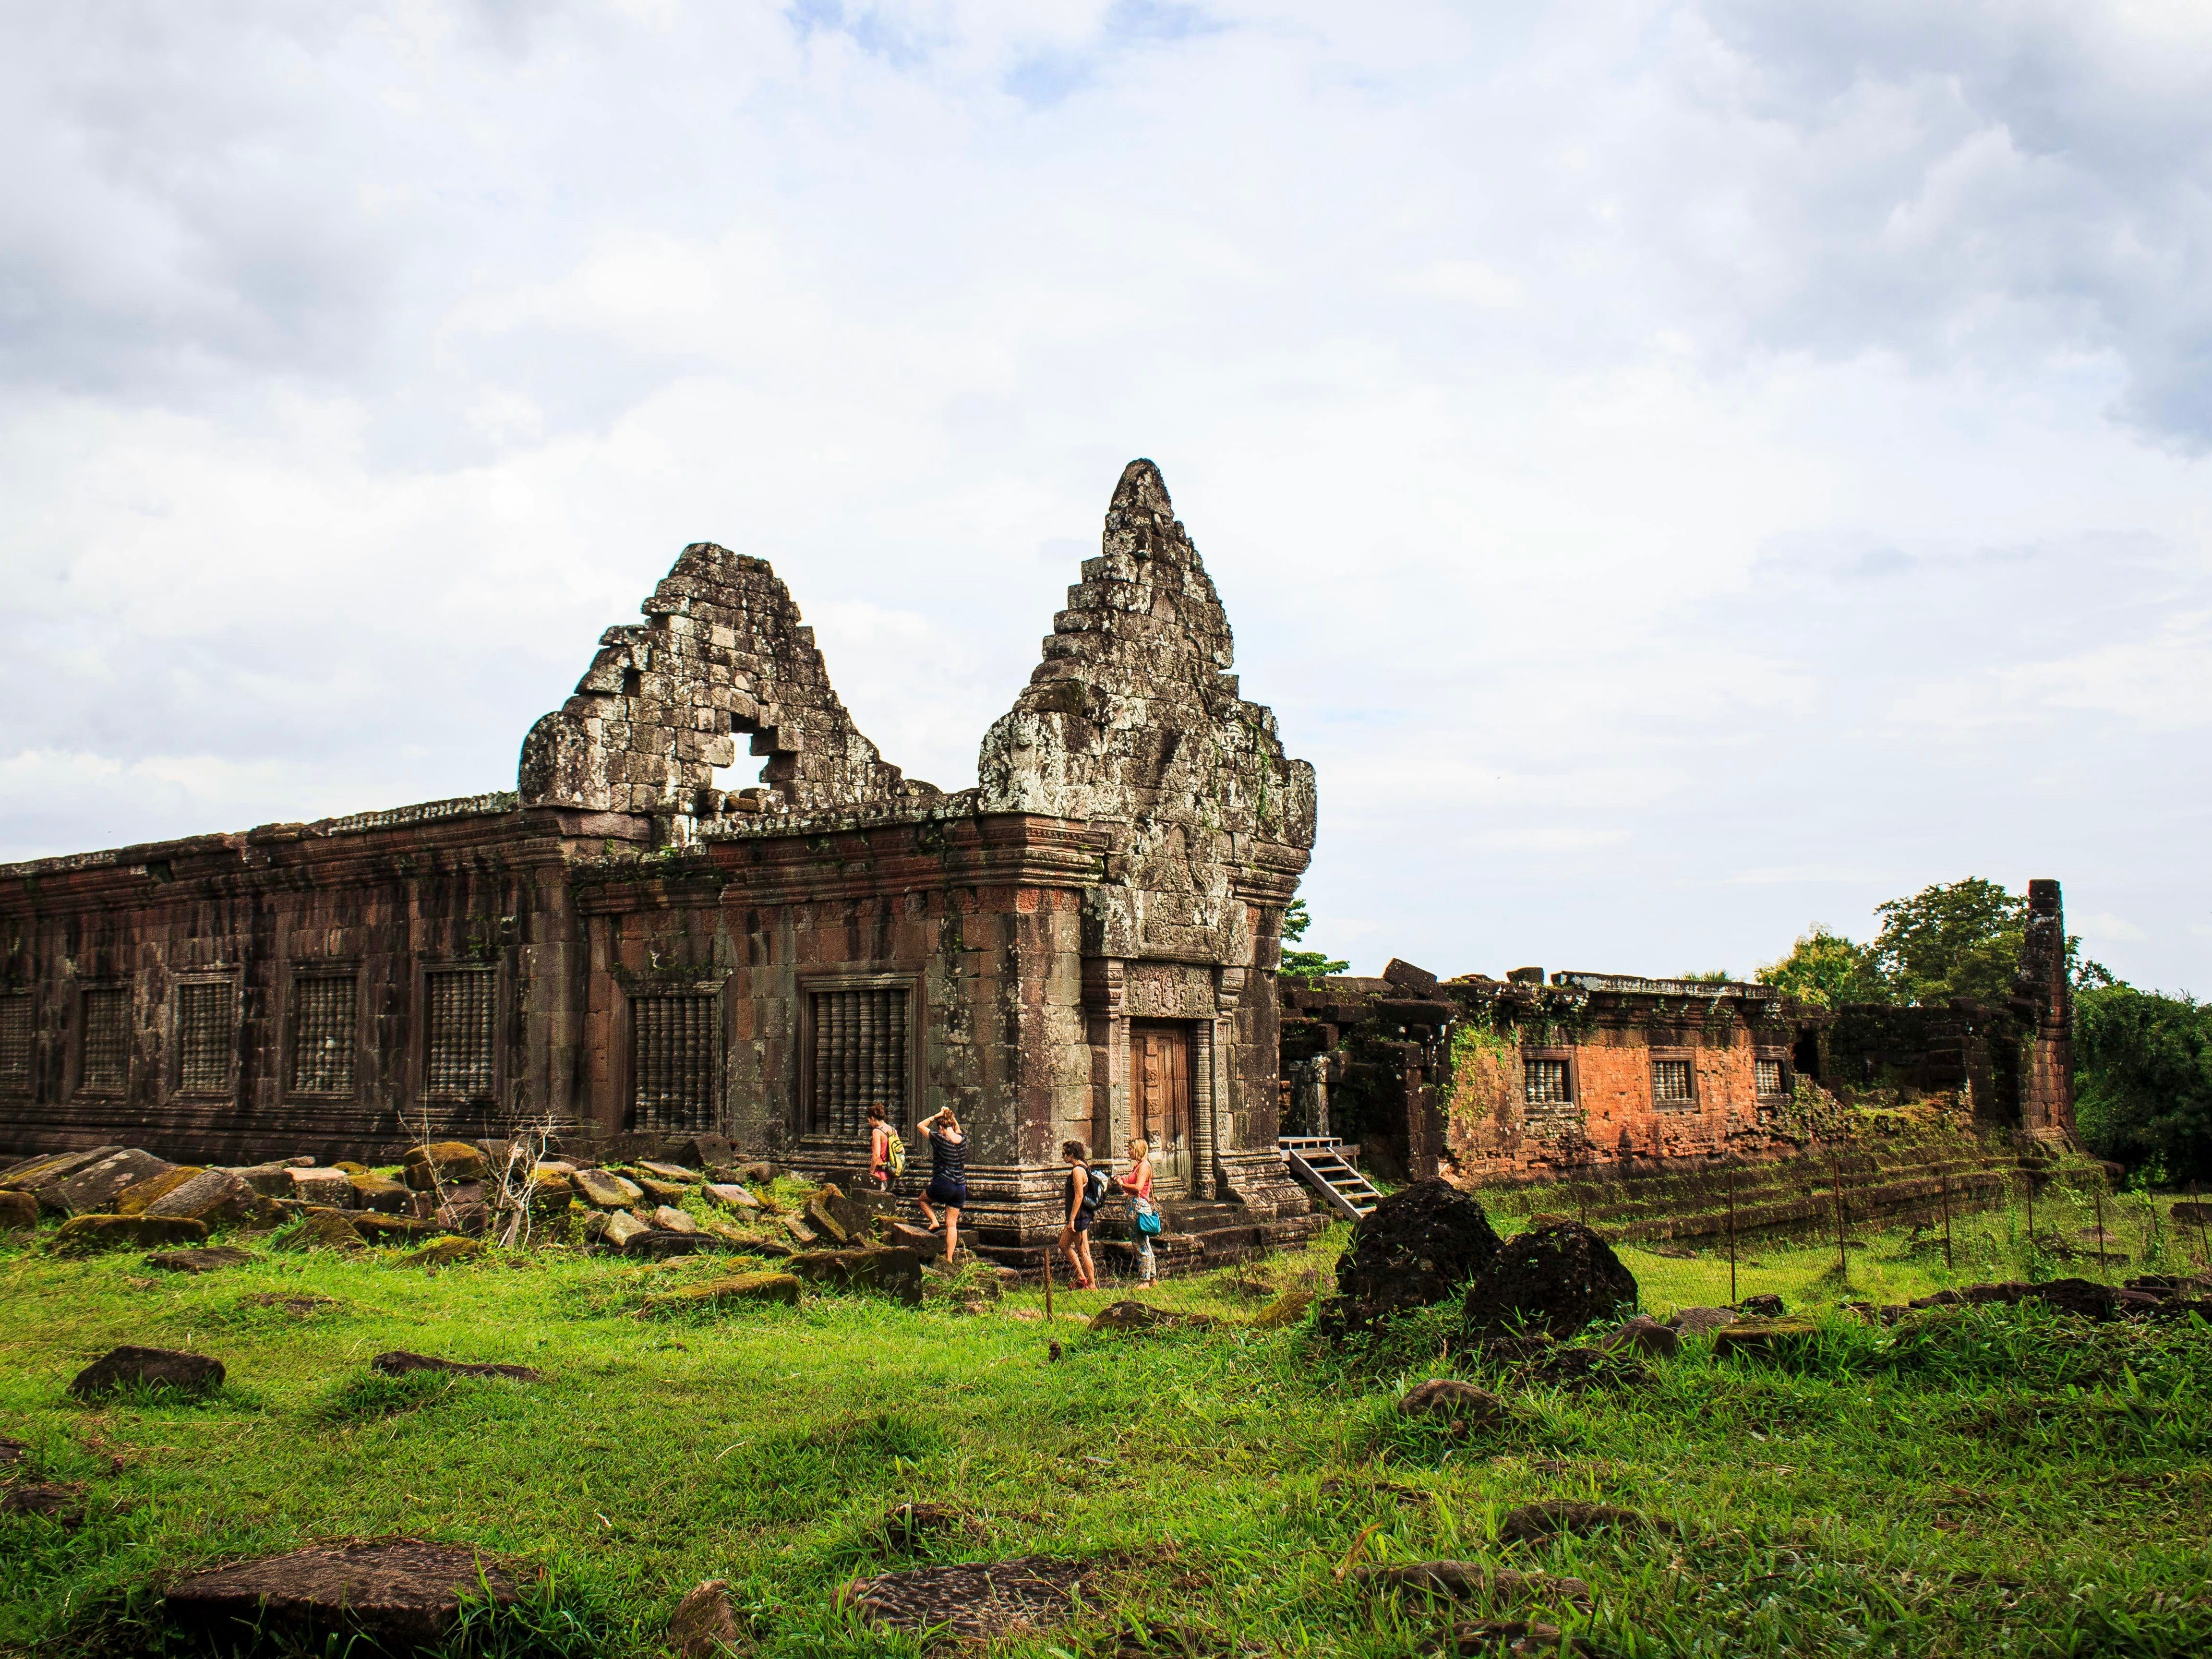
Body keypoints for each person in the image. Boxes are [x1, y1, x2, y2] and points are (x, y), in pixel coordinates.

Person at [915, 1106, 967, 1265]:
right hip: (961, 1187)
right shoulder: (963, 1139)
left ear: (941, 1128)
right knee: (952, 1225)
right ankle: (949, 1259)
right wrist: (950, 1116)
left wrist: (937, 1115)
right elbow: (957, 1128)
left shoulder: (940, 1138)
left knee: (922, 1200)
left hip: (944, 1183)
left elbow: (920, 1126)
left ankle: (934, 1221)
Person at [1058, 1139, 1101, 1291]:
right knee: (1064, 1245)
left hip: (1078, 1217)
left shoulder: (1078, 1170)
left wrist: (1072, 1219)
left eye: (1065, 1154)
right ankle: (1081, 1278)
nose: (1063, 1157)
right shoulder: (1084, 1167)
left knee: (1084, 1251)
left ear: (1072, 1154)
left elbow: (1079, 1196)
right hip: (1078, 1215)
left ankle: (1092, 1284)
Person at [1125, 1136, 1159, 1285]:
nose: (1129, 1152)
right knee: (1145, 1243)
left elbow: (1139, 1188)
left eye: (1131, 1149)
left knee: (1140, 1244)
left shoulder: (1144, 1166)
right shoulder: (1140, 1166)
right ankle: (1152, 1277)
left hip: (1139, 1207)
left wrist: (1123, 1185)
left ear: (1138, 1150)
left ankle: (1144, 1280)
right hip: (1136, 1205)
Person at [866, 1103, 901, 1193]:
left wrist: (871, 1174)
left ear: (873, 1118)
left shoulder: (877, 1131)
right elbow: (900, 1150)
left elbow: (876, 1155)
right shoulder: (893, 1130)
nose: (869, 1123)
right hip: (892, 1173)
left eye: (869, 1120)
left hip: (880, 1174)